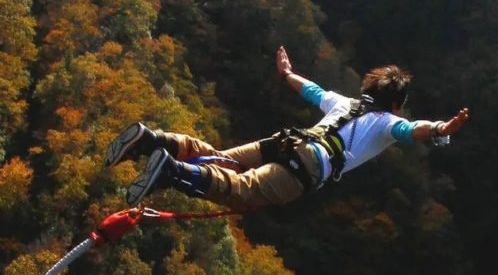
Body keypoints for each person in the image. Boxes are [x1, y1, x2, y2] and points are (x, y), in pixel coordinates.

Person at [106, 46, 470, 209]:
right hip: (308, 166)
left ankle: (151, 140)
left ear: (367, 90)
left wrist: (286, 73)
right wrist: (441, 128)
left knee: (216, 158)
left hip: (287, 142)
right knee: (240, 189)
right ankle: (168, 171)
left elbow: (311, 90)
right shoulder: (388, 122)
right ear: (396, 104)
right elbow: (413, 130)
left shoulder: (344, 102)